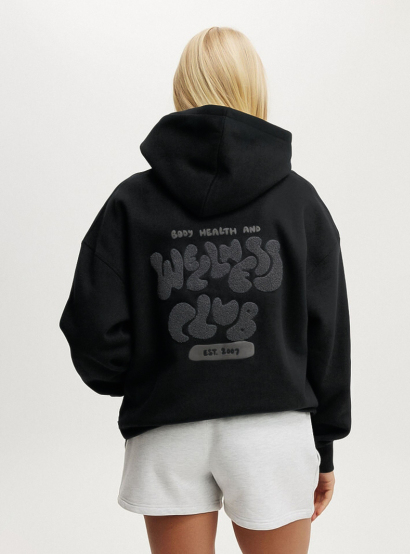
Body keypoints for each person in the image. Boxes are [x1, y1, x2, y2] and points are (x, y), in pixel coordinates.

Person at [59, 26, 351, 554]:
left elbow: (93, 329)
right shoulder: (299, 203)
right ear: (254, 87)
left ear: (182, 87)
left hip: (168, 428)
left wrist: (149, 376)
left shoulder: (130, 202)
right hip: (272, 434)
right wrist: (324, 444)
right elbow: (327, 335)